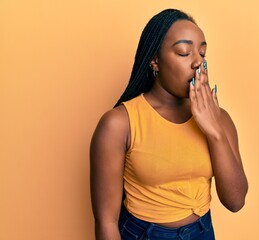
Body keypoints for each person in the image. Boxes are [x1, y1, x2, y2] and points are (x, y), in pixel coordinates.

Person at [90, 8, 248, 240]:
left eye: (202, 54)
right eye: (184, 53)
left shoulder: (218, 118)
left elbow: (235, 201)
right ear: (155, 60)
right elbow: (106, 222)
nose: (197, 62)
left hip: (203, 233)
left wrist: (215, 132)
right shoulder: (119, 123)